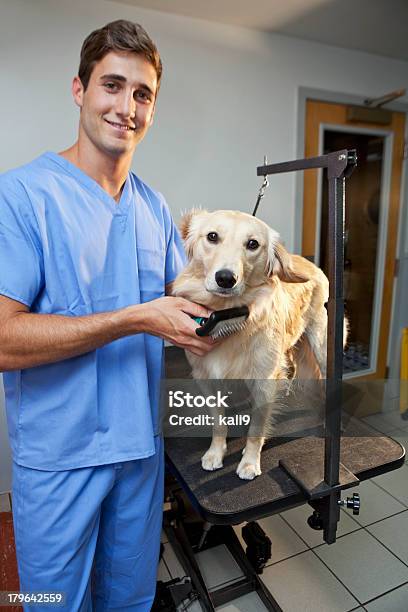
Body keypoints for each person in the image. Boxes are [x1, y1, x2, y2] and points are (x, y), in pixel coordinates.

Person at [0, 19, 217, 611]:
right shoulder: (22, 196)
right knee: (52, 603)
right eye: (112, 85)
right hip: (58, 462)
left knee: (128, 600)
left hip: (140, 456)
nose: (127, 107)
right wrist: (134, 319)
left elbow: (190, 305)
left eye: (142, 94)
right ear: (80, 89)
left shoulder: (154, 207)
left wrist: (252, 274)